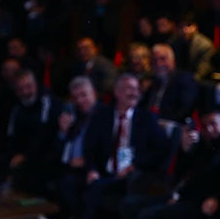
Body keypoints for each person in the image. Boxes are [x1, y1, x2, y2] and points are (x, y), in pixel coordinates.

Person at [82, 74, 170, 219]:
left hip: (132, 176)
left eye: (136, 89)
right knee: (80, 184)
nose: (134, 93)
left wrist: (134, 165)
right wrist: (92, 170)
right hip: (104, 171)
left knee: (97, 190)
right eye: (129, 88)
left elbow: (161, 151)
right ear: (117, 92)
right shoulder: (102, 116)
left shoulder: (147, 119)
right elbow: (89, 147)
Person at [54, 76, 99, 218]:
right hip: (69, 166)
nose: (79, 101)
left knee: (68, 183)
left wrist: (86, 162)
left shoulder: (104, 116)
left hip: (92, 168)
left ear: (94, 94)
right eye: (75, 98)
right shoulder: (76, 117)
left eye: (84, 95)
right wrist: (63, 131)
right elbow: (62, 150)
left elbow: (107, 148)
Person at [141, 44, 198, 122]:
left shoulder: (185, 80)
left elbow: (183, 110)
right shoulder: (149, 81)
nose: (158, 64)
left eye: (163, 59)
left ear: (173, 60)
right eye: (154, 60)